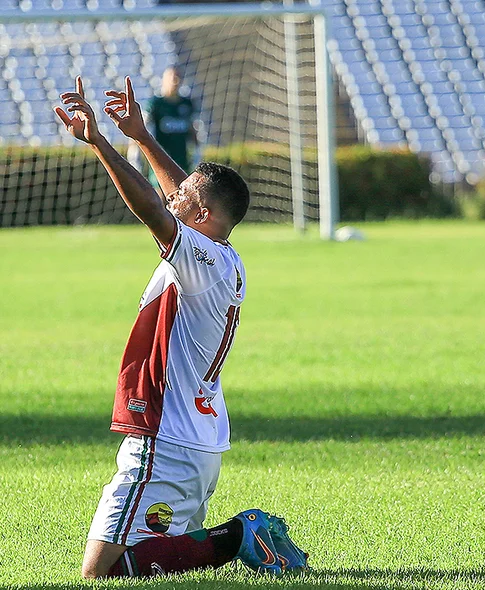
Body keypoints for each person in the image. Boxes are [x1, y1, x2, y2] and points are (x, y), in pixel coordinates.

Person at [56, 76, 309, 578]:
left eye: (184, 199)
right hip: (200, 437)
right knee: (159, 562)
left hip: (166, 439)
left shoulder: (197, 256)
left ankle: (240, 534)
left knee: (101, 573)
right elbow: (179, 197)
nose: (172, 196)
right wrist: (144, 137)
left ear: (202, 213)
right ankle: (233, 538)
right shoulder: (223, 255)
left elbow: (152, 208)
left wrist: (100, 142)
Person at [147, 67, 200, 175]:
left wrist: (197, 154)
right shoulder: (156, 104)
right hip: (161, 163)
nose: (175, 81)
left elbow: (192, 129)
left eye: (178, 77)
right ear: (163, 80)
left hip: (182, 163)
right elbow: (144, 127)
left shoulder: (186, 104)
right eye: (171, 77)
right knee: (160, 191)